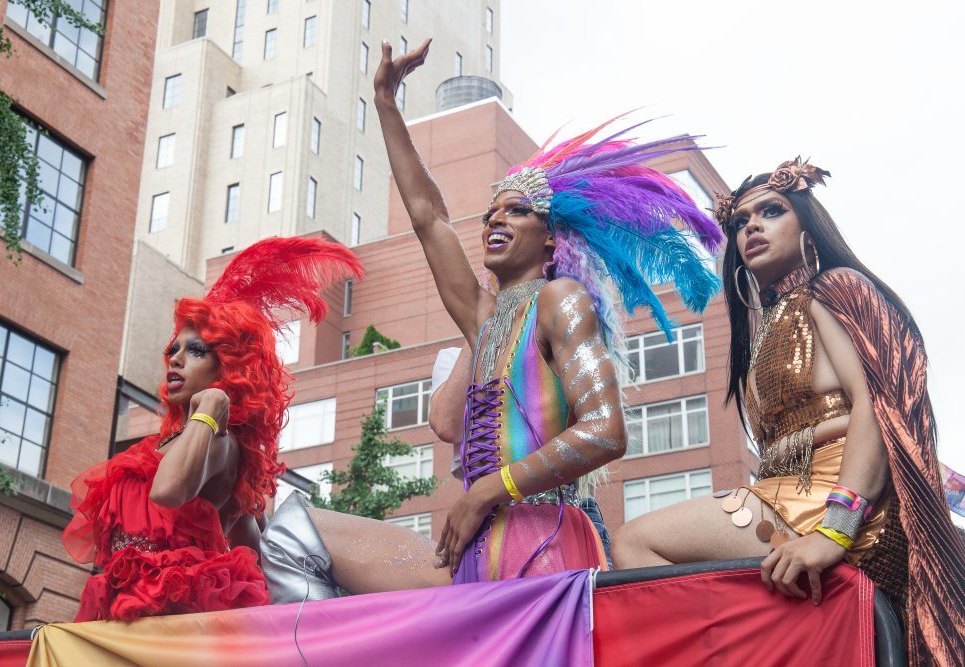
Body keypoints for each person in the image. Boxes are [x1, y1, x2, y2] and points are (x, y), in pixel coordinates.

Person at [259, 38, 721, 597]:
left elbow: (605, 431)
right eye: (491, 214)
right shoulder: (484, 317)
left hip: (544, 538)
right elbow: (429, 217)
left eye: (518, 211)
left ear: (551, 241)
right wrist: (385, 103)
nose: (495, 221)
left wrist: (485, 491)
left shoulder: (561, 299)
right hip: (479, 544)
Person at [610, 157, 964, 666]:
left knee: (637, 541)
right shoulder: (767, 327)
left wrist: (833, 532)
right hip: (784, 498)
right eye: (738, 223)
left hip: (840, 506)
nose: (751, 226)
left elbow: (878, 406)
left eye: (771, 211)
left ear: (808, 223)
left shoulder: (835, 288)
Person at [62, 237, 362, 621]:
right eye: (174, 349)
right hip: (120, 614)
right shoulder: (177, 441)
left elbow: (169, 491)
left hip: (177, 621)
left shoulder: (221, 441)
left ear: (230, 367)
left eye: (197, 351)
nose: (176, 359)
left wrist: (215, 403)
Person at [429, 346, 615, 567]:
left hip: (562, 512)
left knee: (583, 599)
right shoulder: (454, 356)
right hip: (487, 520)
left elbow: (601, 430)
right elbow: (447, 426)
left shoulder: (548, 338)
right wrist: (479, 335)